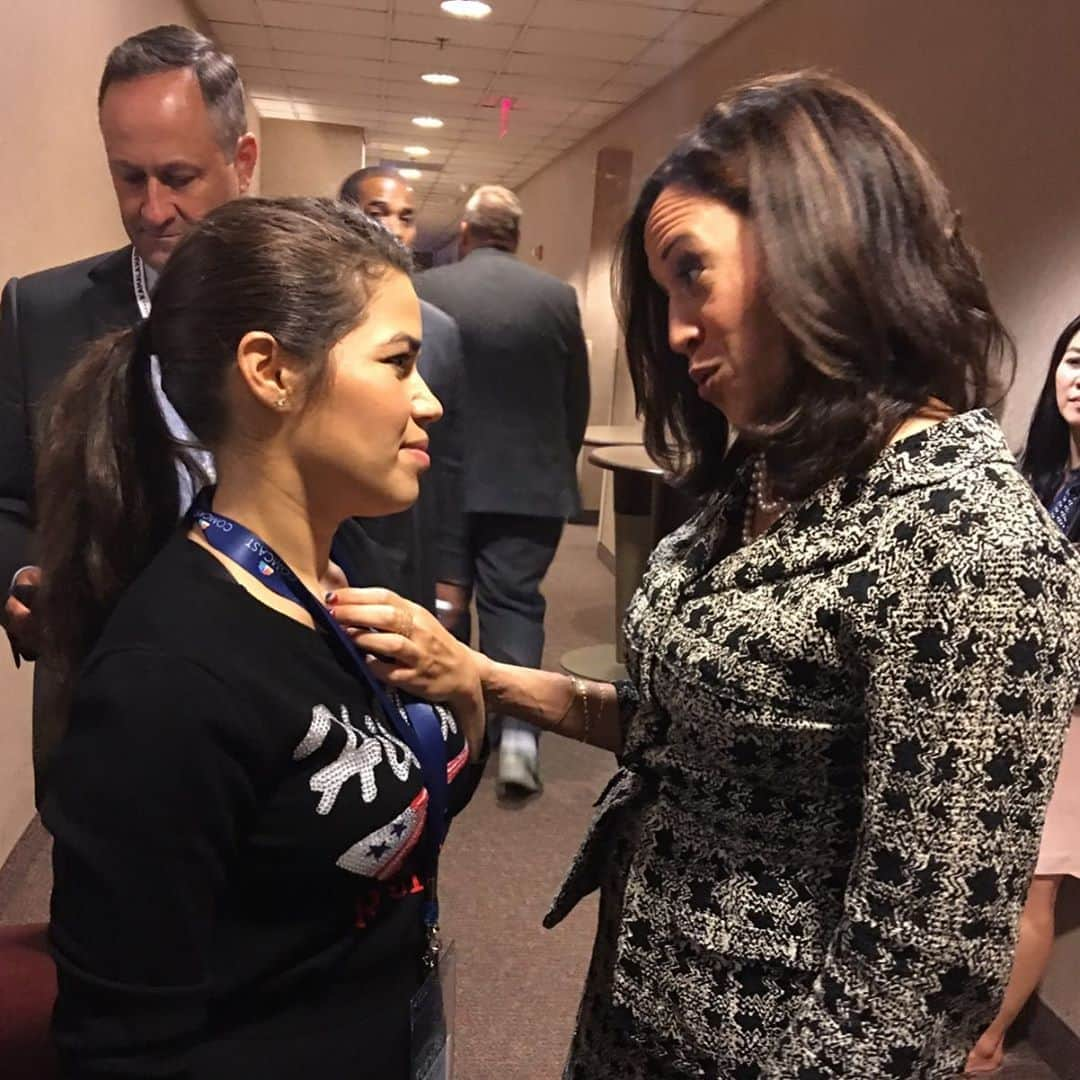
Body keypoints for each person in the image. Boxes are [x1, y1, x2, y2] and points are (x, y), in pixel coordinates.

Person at [326, 73, 1080, 1076]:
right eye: (664, 292)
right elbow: (705, 731)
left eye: (694, 275)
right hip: (636, 1006)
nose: (676, 330)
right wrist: (487, 676)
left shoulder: (970, 539)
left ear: (823, 248)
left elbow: (920, 974)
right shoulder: (776, 468)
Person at [37, 197, 485, 1078]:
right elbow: (122, 1043)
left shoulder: (336, 586)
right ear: (271, 372)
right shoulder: (169, 678)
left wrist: (466, 699)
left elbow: (369, 823)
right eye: (398, 363)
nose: (427, 402)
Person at [0, 24, 258, 795]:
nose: (152, 209)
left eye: (179, 176)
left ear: (241, 163)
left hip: (269, 710)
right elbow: (9, 497)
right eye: (129, 178)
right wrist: (16, 579)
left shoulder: (308, 310)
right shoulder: (35, 311)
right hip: (95, 709)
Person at [416, 184, 590, 797]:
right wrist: (555, 468)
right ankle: (519, 739)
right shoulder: (558, 297)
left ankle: (453, 731)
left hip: (436, 479)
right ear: (514, 236)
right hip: (528, 482)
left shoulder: (425, 291)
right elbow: (577, 402)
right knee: (514, 604)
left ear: (464, 232)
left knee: (440, 608)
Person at [965, 313, 1080, 1073]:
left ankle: (987, 1043)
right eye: (1074, 359)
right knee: (980, 871)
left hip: (1070, 714)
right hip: (1002, 705)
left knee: (1032, 887)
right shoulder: (1034, 475)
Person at [338, 166, 470, 633]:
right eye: (378, 212)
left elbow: (450, 458)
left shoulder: (440, 329)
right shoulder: (318, 324)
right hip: (330, 532)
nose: (393, 226)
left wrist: (451, 575)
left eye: (406, 216)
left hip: (407, 539)